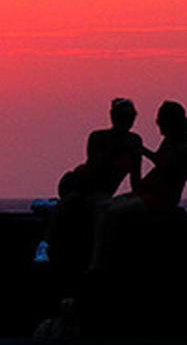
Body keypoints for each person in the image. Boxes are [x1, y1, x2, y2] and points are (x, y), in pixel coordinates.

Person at [88, 100, 187, 271]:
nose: (158, 124)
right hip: (145, 192)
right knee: (101, 207)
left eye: (161, 120)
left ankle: (98, 262)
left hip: (159, 198)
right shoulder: (169, 142)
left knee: (111, 213)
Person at [35, 98, 143, 264]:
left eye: (130, 117)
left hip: (101, 193)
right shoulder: (97, 137)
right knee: (71, 202)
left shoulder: (135, 142)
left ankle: (51, 205)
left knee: (89, 207)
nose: (126, 120)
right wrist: (117, 148)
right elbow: (94, 166)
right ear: (113, 117)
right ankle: (44, 245)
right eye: (122, 116)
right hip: (78, 182)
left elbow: (135, 178)